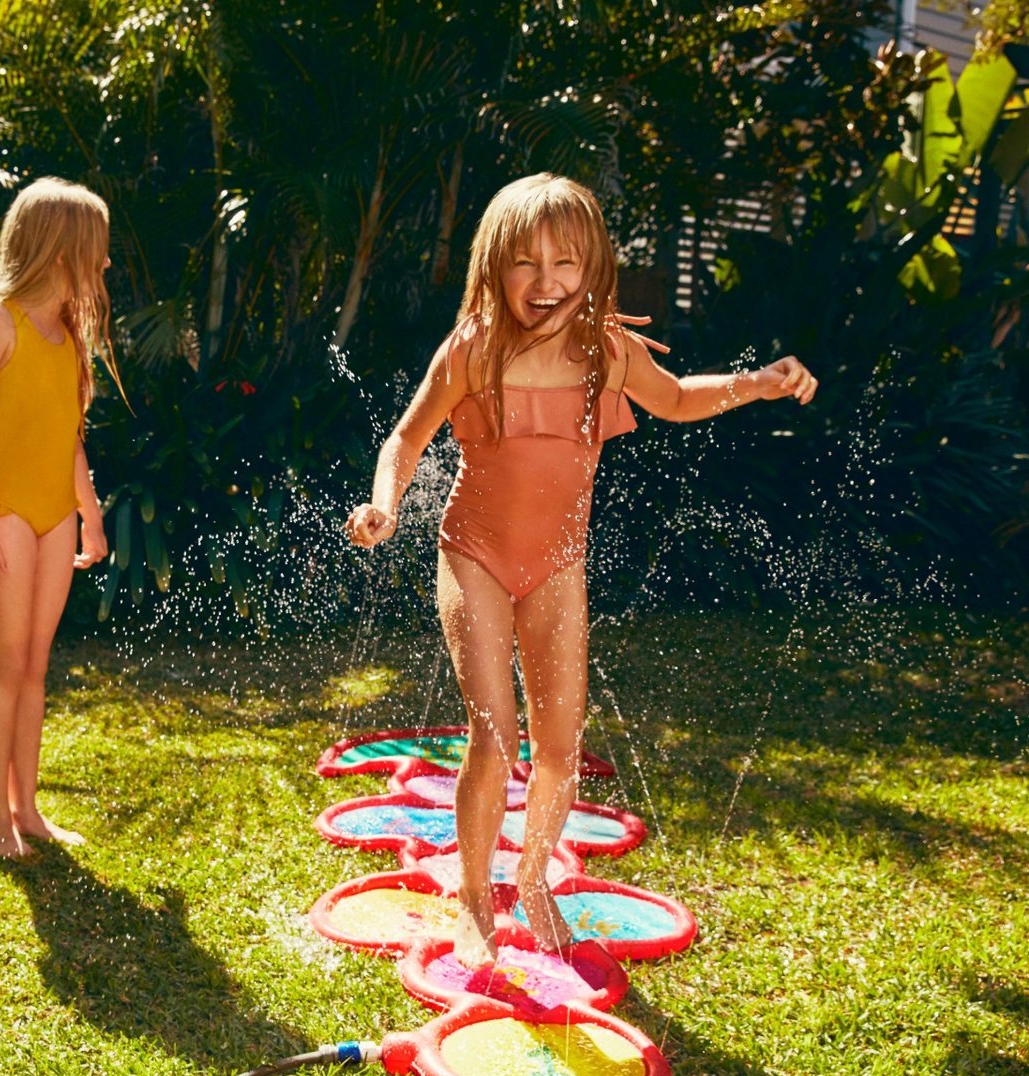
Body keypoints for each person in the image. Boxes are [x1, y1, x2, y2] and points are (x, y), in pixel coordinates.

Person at [345, 173, 817, 966]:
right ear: (494, 265)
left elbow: (675, 398)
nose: (546, 282)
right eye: (525, 264)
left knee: (560, 748)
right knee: (494, 737)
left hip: (558, 567)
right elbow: (405, 437)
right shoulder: (473, 347)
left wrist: (758, 385)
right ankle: (473, 900)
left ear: (594, 265)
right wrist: (385, 504)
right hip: (476, 558)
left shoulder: (605, 348)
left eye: (565, 263)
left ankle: (532, 883)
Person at [0, 177, 120, 859]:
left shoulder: (70, 335)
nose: (105, 264)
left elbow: (68, 436)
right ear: (60, 250)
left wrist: (91, 515)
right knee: (5, 661)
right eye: (97, 250)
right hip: (5, 514)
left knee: (36, 666)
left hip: (54, 516)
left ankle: (28, 808)